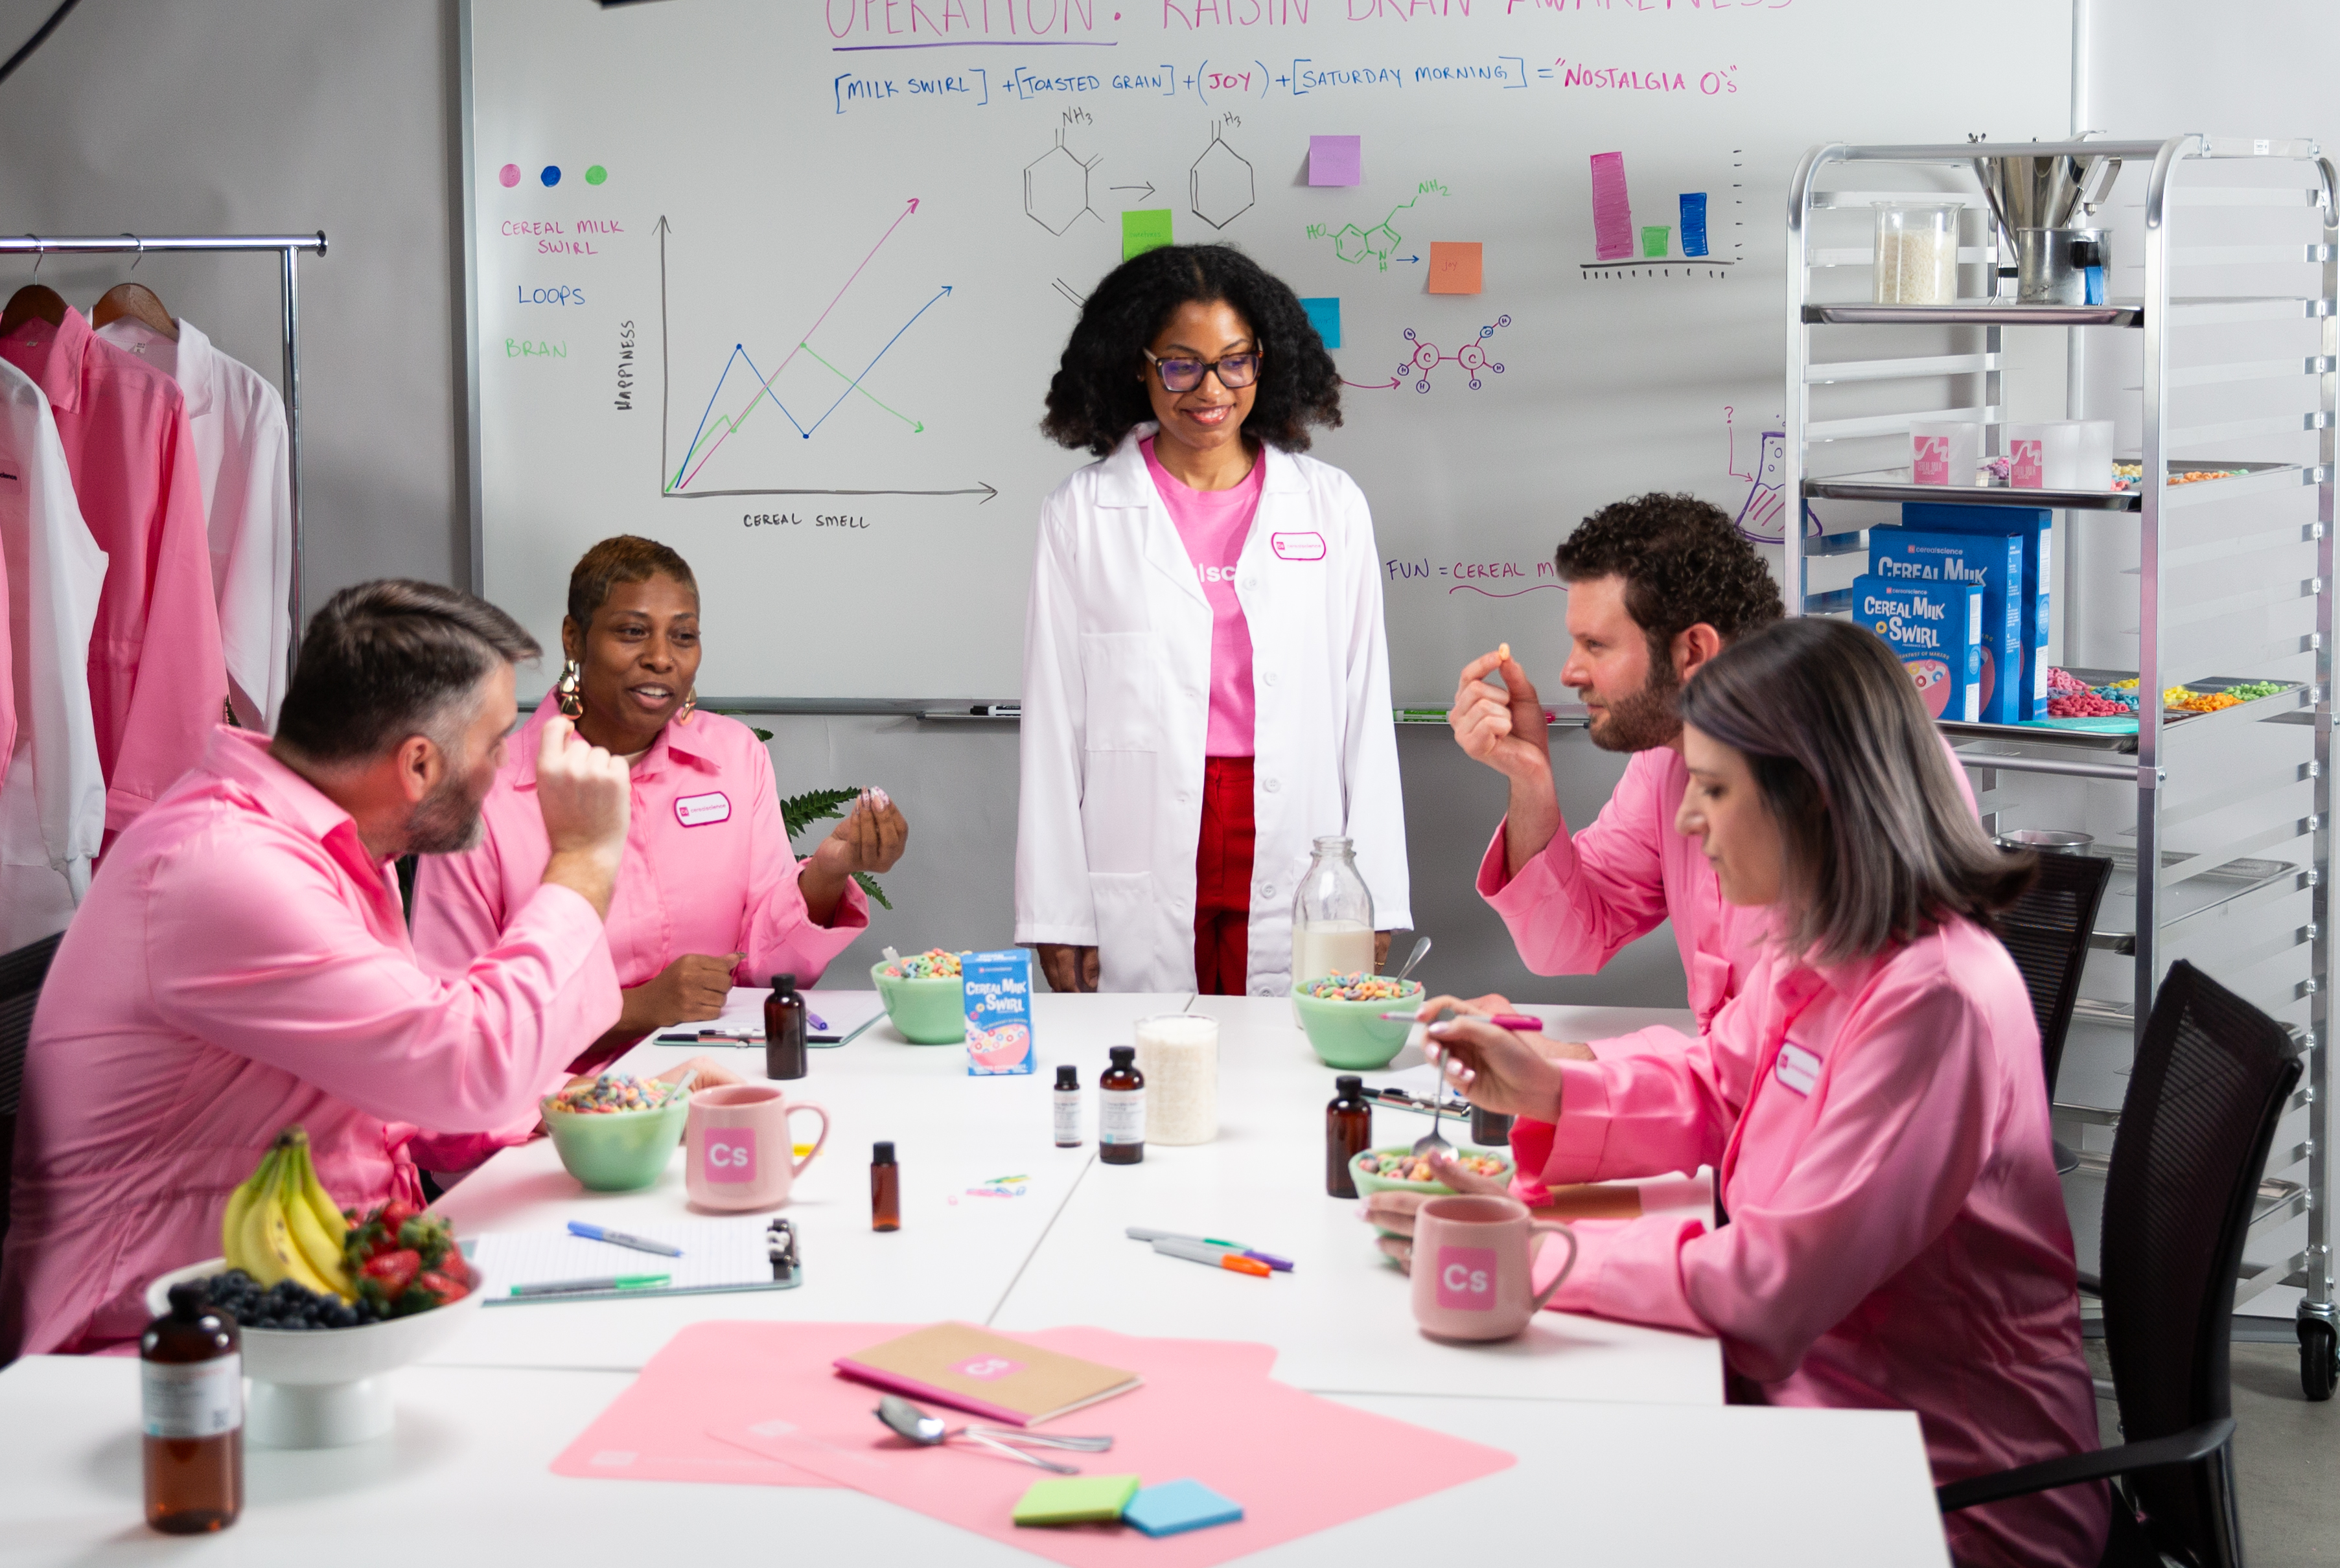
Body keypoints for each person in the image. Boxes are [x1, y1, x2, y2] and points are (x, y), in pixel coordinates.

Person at [1382, 617, 2104, 1568]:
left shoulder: (1934, 1000)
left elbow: (1766, 1294)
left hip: (1940, 1496)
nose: (1688, 823)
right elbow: (1721, 1085)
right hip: (1825, 1423)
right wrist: (1548, 1085)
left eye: (1714, 791)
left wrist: (1531, 1250)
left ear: (1808, 798)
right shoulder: (1828, 940)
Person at [1, 581, 632, 1357]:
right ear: (420, 764)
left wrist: (603, 1106)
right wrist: (584, 861)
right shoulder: (226, 868)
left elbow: (400, 1072)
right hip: (157, 1350)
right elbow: (460, 1064)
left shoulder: (320, 841)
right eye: (497, 741)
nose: (505, 769)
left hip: (298, 1308)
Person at [1445, 492, 1975, 1068]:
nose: (1569, 672)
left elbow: (1798, 1057)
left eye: (1596, 645)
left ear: (1693, 649)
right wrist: (1531, 784)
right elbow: (1568, 940)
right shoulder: (1668, 755)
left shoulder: (1847, 773)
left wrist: (1574, 1063)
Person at [1016, 244, 1407, 996]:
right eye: (1181, 364)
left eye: (1235, 361)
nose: (1211, 390)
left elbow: (1365, 708)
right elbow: (1053, 717)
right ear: (1139, 366)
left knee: (1289, 1059)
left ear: (1267, 361)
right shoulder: (1081, 514)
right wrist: (1057, 910)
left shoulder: (1331, 506)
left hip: (1294, 823)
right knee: (1153, 1063)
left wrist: (1376, 890)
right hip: (1145, 830)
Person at [413, 536, 907, 1078]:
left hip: (714, 1077)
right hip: (550, 1109)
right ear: (574, 639)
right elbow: (452, 1026)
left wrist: (830, 870)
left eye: (684, 636)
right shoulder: (484, 789)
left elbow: (763, 969)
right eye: (632, 632)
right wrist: (636, 1008)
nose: (661, 657)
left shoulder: (735, 757)